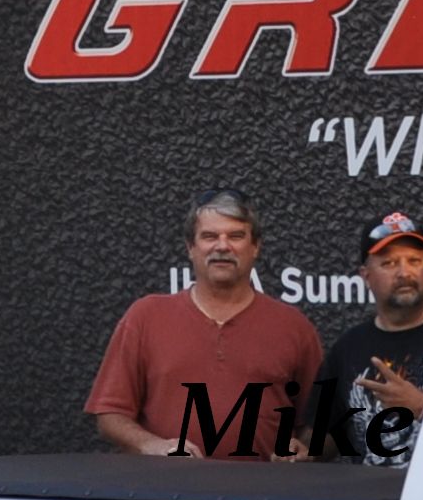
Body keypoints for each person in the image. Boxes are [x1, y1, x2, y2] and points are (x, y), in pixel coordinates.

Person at [88, 190, 324, 459]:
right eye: (209, 236)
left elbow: (318, 423)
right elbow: (110, 414)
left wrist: (305, 449)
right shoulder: (145, 316)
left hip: (264, 485)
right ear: (191, 247)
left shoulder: (294, 327)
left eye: (236, 236)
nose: (222, 246)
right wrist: (150, 445)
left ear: (255, 247)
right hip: (166, 484)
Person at [313, 212, 423, 465]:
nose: (404, 272)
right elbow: (325, 439)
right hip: (369, 491)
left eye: (414, 261)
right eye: (389, 263)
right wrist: (300, 452)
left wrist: (422, 406)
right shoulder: (349, 347)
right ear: (366, 276)